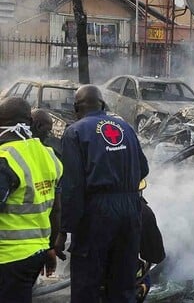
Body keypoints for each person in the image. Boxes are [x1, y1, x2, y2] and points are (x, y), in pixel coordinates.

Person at [54, 85, 149, 302]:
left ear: (76, 108)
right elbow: (143, 169)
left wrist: (63, 231)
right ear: (103, 105)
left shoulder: (75, 132)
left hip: (97, 213)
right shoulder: (125, 127)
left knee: (87, 283)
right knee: (123, 282)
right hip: (130, 210)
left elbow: (73, 187)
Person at [0, 97, 63, 303]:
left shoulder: (6, 158)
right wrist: (51, 247)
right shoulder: (49, 155)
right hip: (37, 252)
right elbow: (56, 208)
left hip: (9, 256)